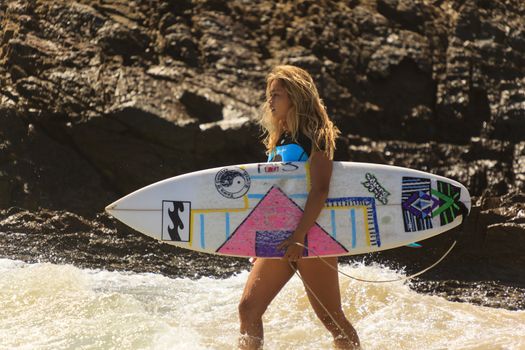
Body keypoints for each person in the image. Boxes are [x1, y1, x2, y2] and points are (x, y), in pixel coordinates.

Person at [238, 65, 361, 349]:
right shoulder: (280, 138)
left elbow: (320, 189)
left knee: (332, 319)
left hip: (312, 235)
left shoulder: (315, 135)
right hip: (280, 236)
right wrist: (262, 240)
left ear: (294, 97)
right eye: (270, 95)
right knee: (248, 308)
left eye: (276, 94)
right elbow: (275, 194)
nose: (270, 101)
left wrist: (299, 236)